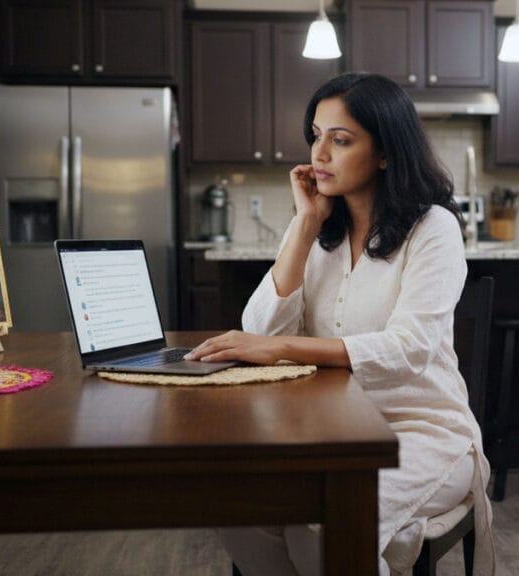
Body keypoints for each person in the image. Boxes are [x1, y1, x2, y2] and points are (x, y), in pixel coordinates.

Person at [185, 72, 493, 576]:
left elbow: (410, 348)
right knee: (243, 512)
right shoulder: (318, 225)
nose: (319, 153)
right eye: (316, 134)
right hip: (329, 431)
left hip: (421, 432)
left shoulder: (432, 227)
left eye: (341, 139)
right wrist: (305, 223)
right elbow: (262, 329)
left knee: (324, 520)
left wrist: (287, 351)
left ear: (385, 153)